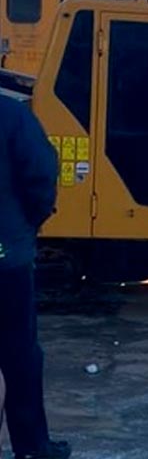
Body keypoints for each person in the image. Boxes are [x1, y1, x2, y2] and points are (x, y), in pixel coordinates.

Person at [0, 96, 70, 459]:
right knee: (19, 356)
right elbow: (41, 174)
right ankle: (31, 448)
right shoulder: (11, 116)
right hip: (4, 258)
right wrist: (27, 226)